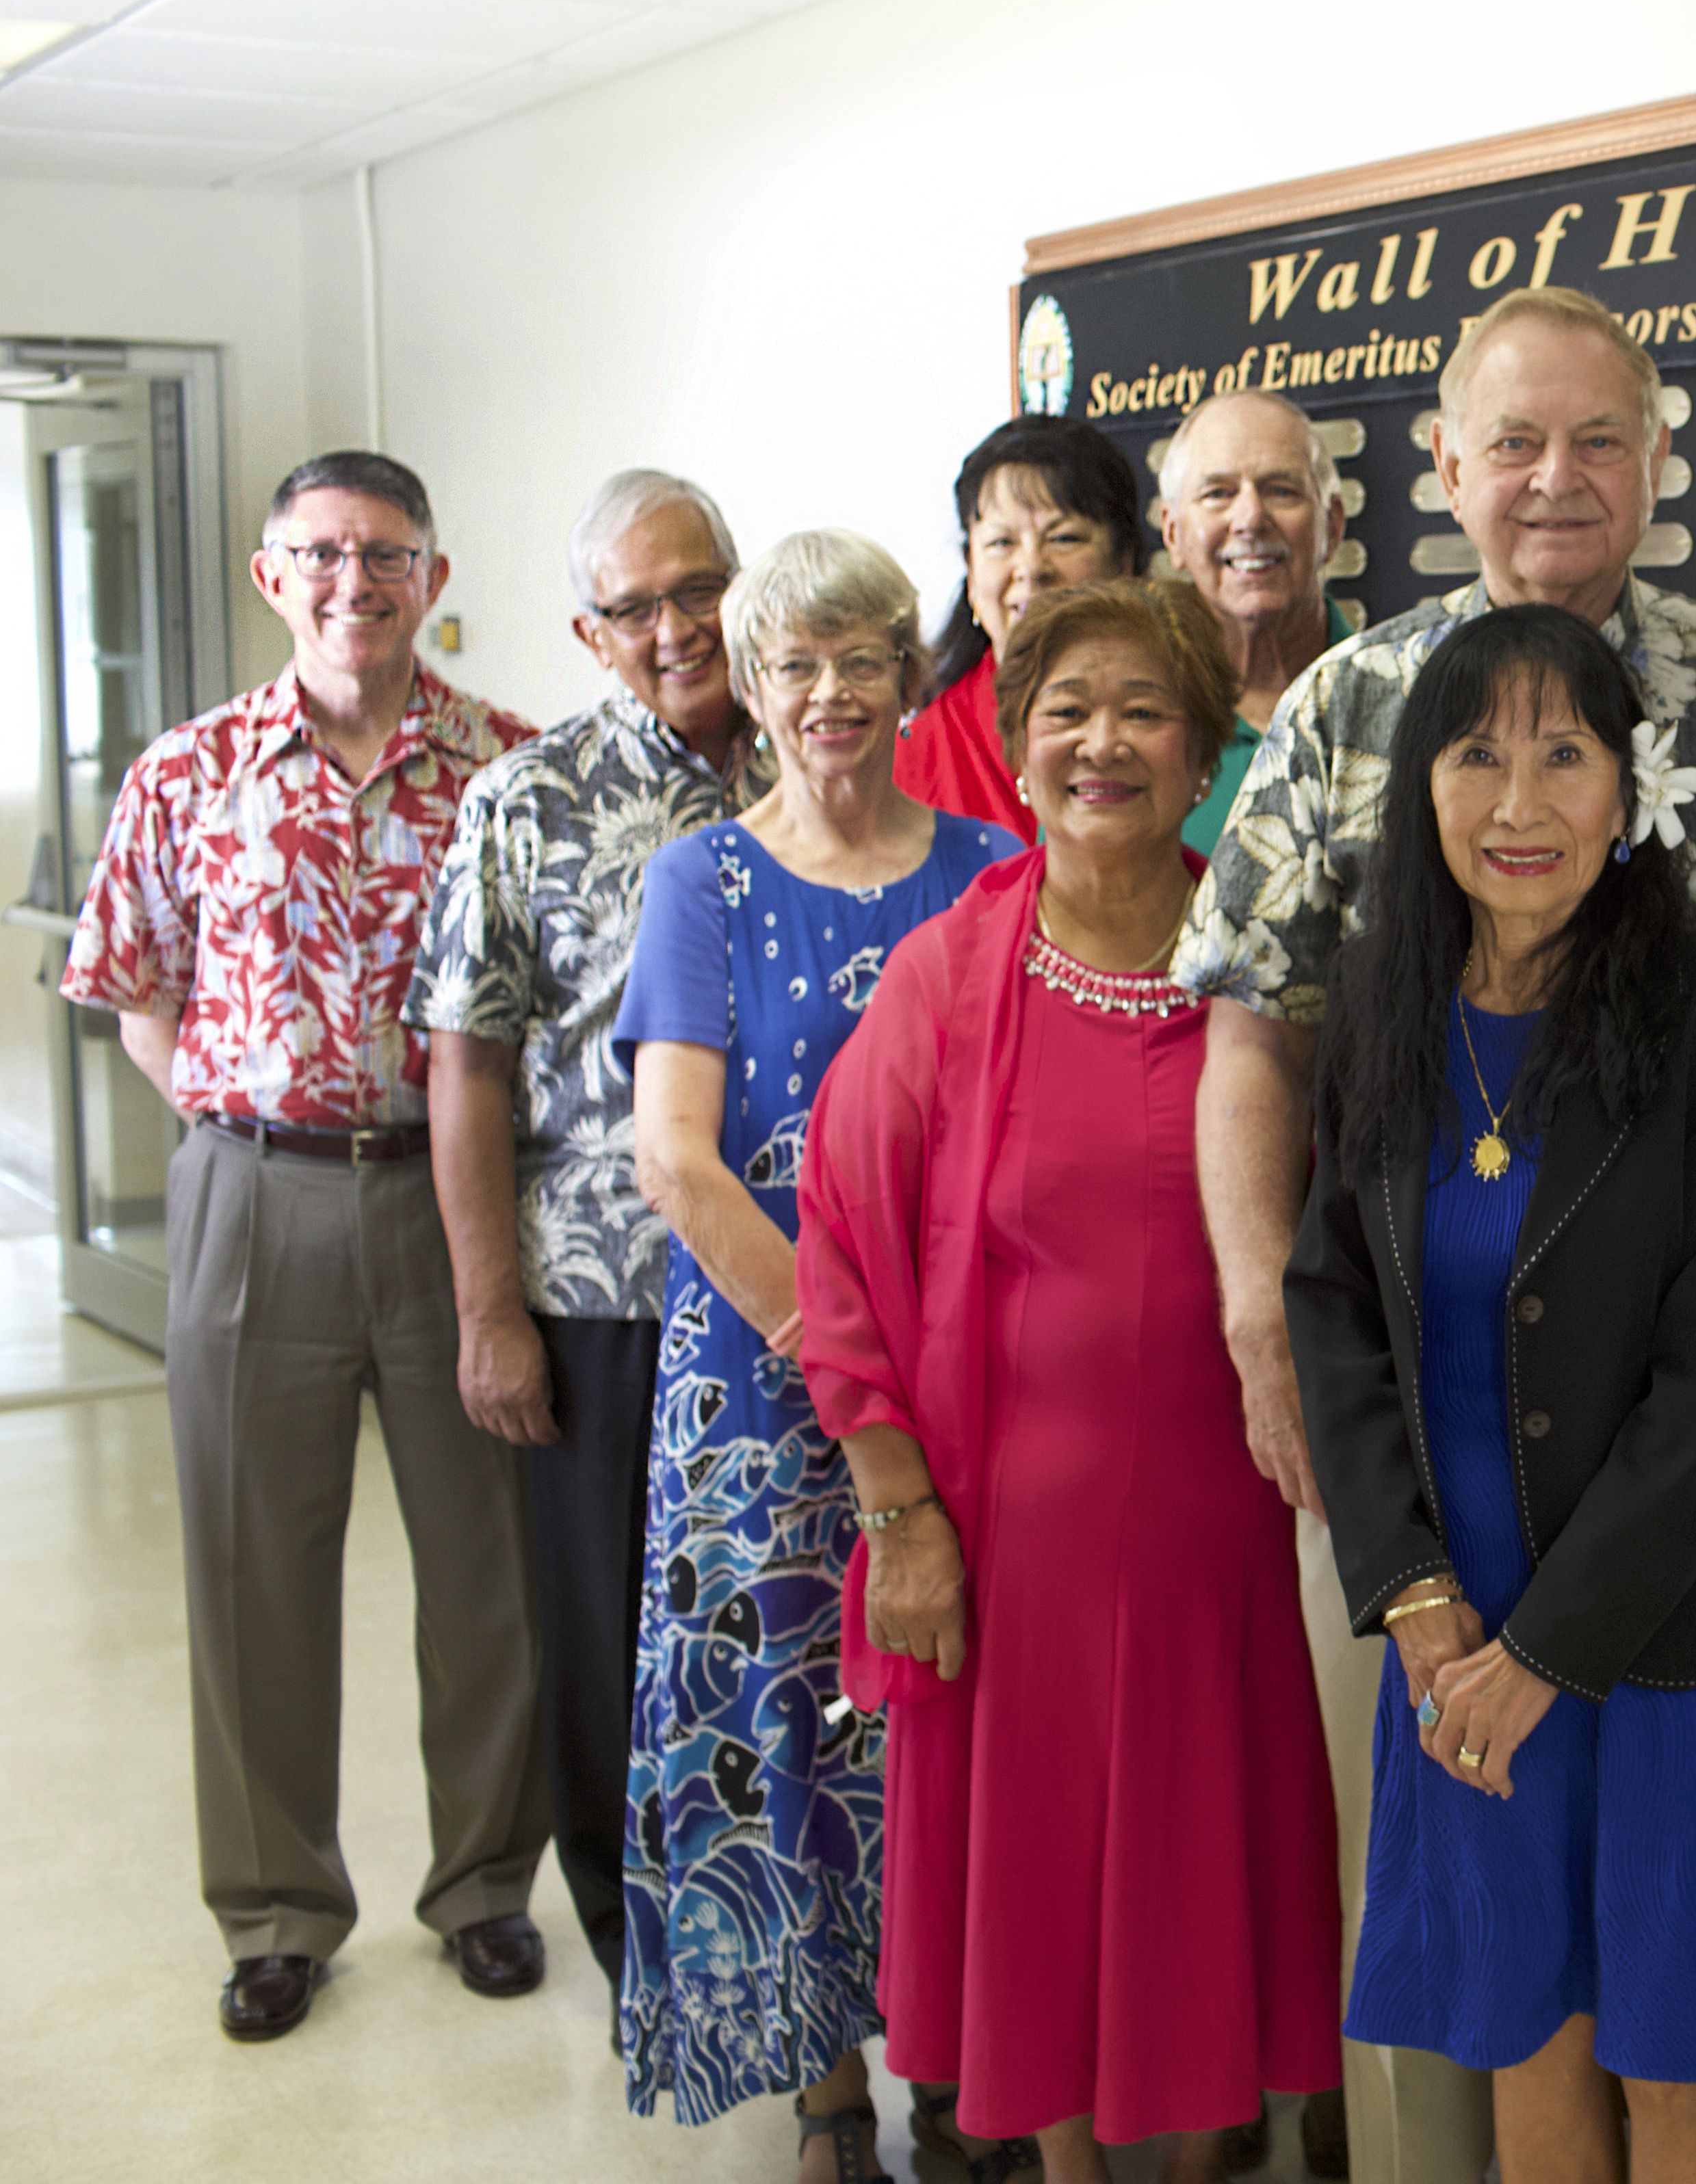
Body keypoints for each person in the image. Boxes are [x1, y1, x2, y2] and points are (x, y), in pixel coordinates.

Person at [1177, 287, 1696, 2176]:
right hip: (1443, 1509)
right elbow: (1255, 1035)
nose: (1556, 478)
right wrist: (1268, 1334)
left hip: (1693, 1510)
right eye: (1516, 442)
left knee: (1690, 2034)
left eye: (1599, 439)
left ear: (1659, 459)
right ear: (1445, 468)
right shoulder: (1348, 706)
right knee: (1504, 2007)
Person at [1282, 602, 1696, 2182]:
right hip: (1450, 1623)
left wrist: (1543, 1654)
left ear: (1631, 785)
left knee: (1680, 2061)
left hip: (1667, 1627)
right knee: (1521, 2029)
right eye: (1477, 756)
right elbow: (1327, 1302)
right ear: (1420, 789)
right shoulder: (1376, 1004)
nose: (1520, 802)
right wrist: (1413, 1592)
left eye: (1564, 754)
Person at [797, 575, 1344, 2184]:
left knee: (1201, 1880)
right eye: (1064, 714)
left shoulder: (1275, 970)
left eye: (1143, 712)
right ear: (1018, 755)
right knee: (1033, 1891)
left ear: (1203, 756)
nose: (1101, 742)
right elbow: (838, 1249)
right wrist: (898, 1510)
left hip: (1233, 1535)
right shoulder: (947, 980)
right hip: (1002, 1548)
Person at [61, 447, 549, 2044]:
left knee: (487, 1562)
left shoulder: (508, 770)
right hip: (248, 1195)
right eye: (323, 554)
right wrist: (257, 1120)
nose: (357, 582)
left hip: (455, 1197)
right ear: (273, 575)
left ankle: (483, 1883)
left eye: (389, 553)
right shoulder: (187, 772)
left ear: (436, 577)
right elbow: (141, 997)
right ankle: (276, 1909)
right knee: (249, 1561)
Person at [616, 529, 1017, 2168]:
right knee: (789, 1718)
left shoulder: (994, 862)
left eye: (864, 658)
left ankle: (954, 2058)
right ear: (755, 690)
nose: (832, 693)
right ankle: (829, 2085)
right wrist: (847, 1355)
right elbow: (678, 1162)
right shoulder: (696, 884)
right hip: (765, 1386)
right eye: (797, 665)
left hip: (978, 1370)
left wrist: (930, 1361)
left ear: (911, 677)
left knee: (949, 1714)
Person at [415, 468, 767, 1997]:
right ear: (587, 629)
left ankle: (806, 1946)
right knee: (613, 1633)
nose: (681, 628)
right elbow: (467, 1064)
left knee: (781, 1619)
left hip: (806, 1282)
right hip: (608, 1288)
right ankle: (645, 1949)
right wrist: (489, 1308)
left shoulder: (819, 756)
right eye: (638, 608)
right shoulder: (525, 802)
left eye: (703, 590)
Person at [895, 413, 1153, 843]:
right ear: (972, 577)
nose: (1031, 569)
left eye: (1064, 538)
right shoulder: (914, 758)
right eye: (1001, 543)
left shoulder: (1174, 727)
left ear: (1123, 564)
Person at [1154, 388, 1359, 853]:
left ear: (1333, 526)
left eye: (1281, 490)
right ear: (1173, 534)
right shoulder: (1124, 730)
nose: (1249, 518)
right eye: (1218, 494)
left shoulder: (1409, 706)